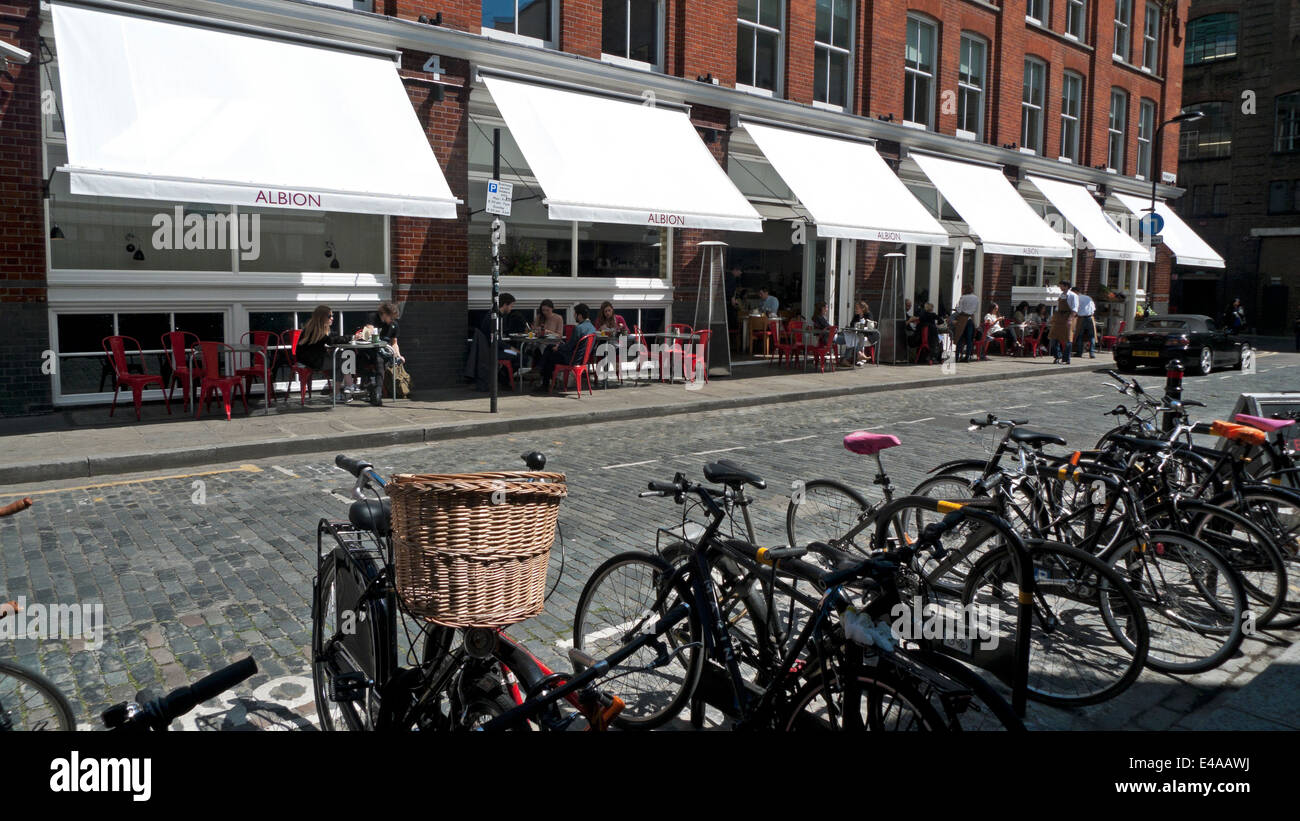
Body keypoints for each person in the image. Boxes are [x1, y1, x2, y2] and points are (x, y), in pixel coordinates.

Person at [535, 303, 596, 394]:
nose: (574, 316)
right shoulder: (593, 328)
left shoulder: (578, 328)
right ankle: (542, 372)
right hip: (582, 359)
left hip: (572, 359)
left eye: (575, 314)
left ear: (579, 315)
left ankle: (543, 379)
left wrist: (558, 347)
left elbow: (569, 347)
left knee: (549, 355)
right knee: (550, 349)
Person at [294, 305, 351, 400]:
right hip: (311, 362)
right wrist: (351, 337)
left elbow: (317, 345)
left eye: (332, 316)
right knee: (344, 359)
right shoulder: (316, 331)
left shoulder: (311, 328)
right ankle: (349, 386)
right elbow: (331, 340)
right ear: (322, 317)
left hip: (307, 360)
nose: (332, 318)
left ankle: (338, 393)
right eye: (329, 316)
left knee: (342, 359)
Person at [480, 292, 521, 378]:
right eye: (511, 306)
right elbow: (496, 340)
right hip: (494, 351)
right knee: (520, 357)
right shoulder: (495, 318)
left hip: (491, 348)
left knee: (518, 354)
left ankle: (503, 376)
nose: (511, 309)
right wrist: (511, 348)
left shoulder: (494, 315)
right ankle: (503, 378)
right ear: (505, 305)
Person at [1048, 281, 1078, 364]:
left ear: (1066, 286)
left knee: (1068, 339)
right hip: (1059, 318)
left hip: (1067, 317)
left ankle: (1066, 358)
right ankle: (1057, 356)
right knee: (1054, 338)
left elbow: (1075, 309)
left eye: (1061, 286)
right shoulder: (1061, 295)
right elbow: (1057, 308)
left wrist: (1070, 319)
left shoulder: (1073, 296)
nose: (1060, 287)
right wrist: (1054, 318)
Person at [953, 284, 978, 363]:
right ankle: (967, 357)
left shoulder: (963, 297)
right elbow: (975, 309)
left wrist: (956, 309)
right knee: (969, 339)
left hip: (963, 318)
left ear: (965, 289)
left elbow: (959, 310)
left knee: (959, 337)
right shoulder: (976, 298)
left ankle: (957, 357)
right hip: (970, 319)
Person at [1073, 287, 1096, 359]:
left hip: (1081, 318)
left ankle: (1079, 353)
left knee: (1080, 336)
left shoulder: (1076, 298)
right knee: (1092, 336)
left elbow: (1075, 308)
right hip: (1090, 317)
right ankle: (1092, 353)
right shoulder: (1088, 297)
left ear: (1076, 292)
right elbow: (1094, 308)